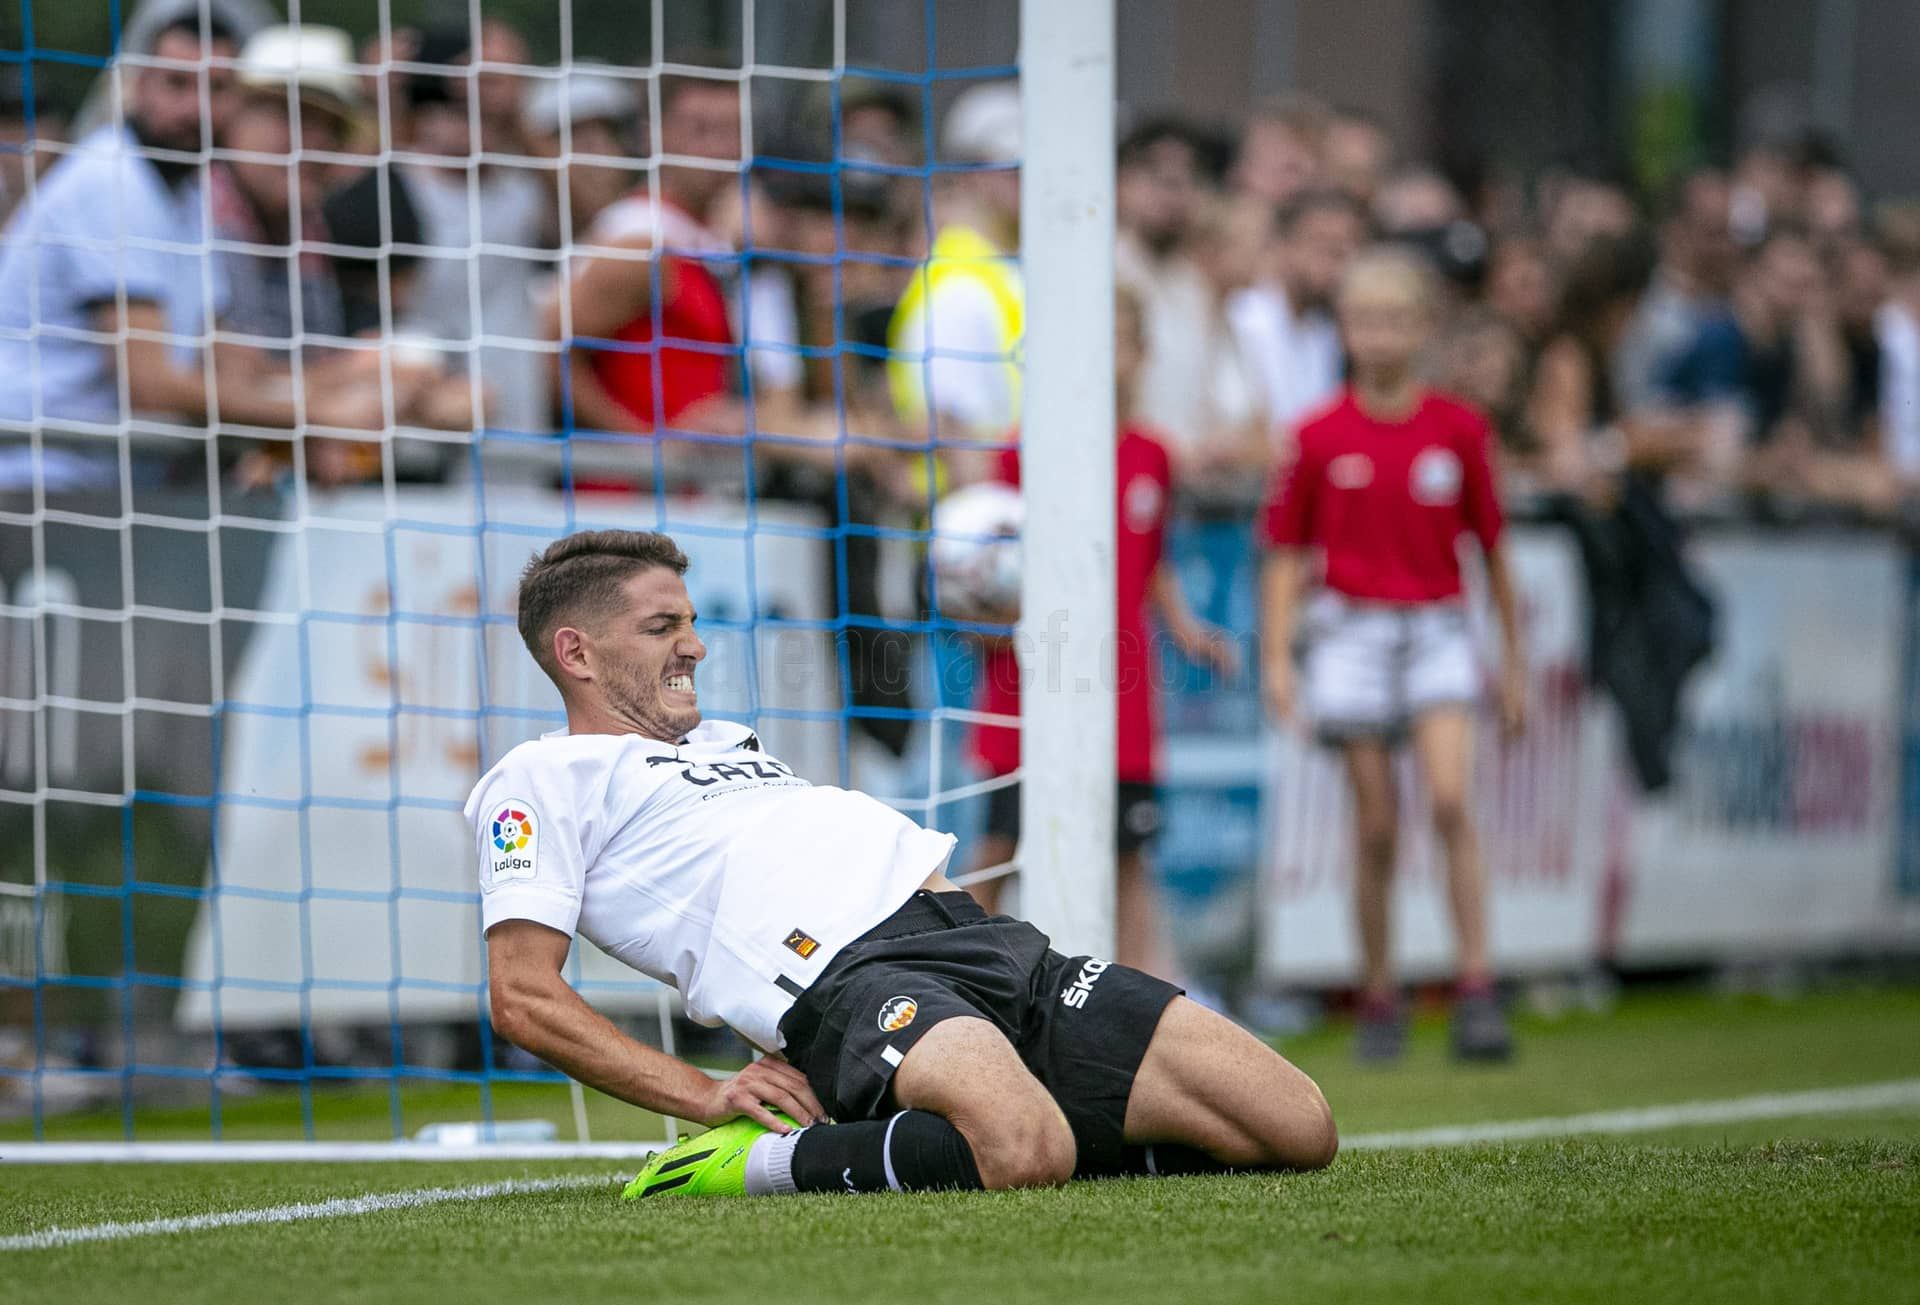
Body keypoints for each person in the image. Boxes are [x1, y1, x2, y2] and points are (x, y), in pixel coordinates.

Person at [470, 529, 1336, 1198]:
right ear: (576, 652)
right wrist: (699, 1091)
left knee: (1298, 1128)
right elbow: (522, 995)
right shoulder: (538, 778)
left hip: (994, 944)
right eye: (663, 627)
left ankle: (1025, 1109)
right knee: (1023, 1148)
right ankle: (755, 1165)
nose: (694, 646)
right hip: (857, 981)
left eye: (692, 623)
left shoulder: (727, 741)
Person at [1258, 248, 1526, 1064]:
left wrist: (1513, 663)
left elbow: (1494, 551)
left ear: (1422, 328)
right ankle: (1380, 991)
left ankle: (1475, 984)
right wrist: (1277, 656)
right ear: (1345, 329)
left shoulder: (1459, 429)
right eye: (1364, 319)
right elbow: (1283, 552)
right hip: (1350, 634)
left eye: (1395, 319)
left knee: (1450, 799)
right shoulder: (1315, 434)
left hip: (1438, 627)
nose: (1379, 335)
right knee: (1374, 823)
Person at [961, 287, 1238, 980]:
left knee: (1127, 855)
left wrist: (1184, 626)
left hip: (1124, 689)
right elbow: (986, 565)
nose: (1101, 356)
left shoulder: (1151, 454)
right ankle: (946, 980)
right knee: (1001, 842)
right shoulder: (1023, 452)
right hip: (1030, 681)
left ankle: (1140, 997)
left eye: (1117, 339)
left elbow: (1151, 561)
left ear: (1140, 352)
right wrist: (983, 622)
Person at [0, 15, 380, 493]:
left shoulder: (188, 188)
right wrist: (317, 414)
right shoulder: (111, 180)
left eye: (216, 88)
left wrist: (356, 385)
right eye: (176, 84)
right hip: (34, 484)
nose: (194, 108)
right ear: (139, 86)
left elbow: (222, 357)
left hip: (103, 491)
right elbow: (151, 387)